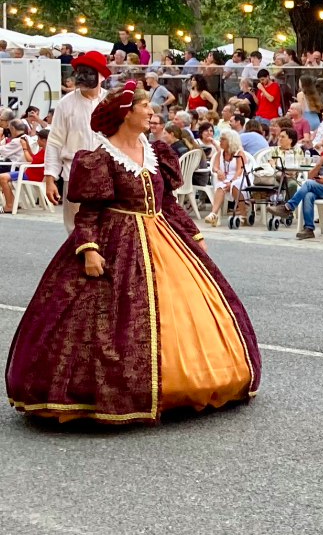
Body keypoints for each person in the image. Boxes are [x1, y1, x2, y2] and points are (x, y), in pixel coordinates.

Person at [6, 80, 259, 424]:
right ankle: (110, 390)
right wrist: (89, 249)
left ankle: (187, 382)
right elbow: (89, 212)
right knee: (110, 321)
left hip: (164, 239)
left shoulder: (156, 152)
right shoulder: (99, 157)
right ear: (126, 113)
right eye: (145, 108)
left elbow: (166, 203)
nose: (152, 113)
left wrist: (193, 233)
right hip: (115, 239)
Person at [44, 51, 109, 233]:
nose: (81, 77)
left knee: (106, 227)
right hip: (74, 174)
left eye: (87, 72)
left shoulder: (111, 102)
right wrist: (50, 179)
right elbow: (54, 142)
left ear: (100, 76)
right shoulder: (65, 104)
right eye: (79, 71)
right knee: (75, 229)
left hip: (107, 175)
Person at [267, 134, 323, 239]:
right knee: (308, 195)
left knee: (308, 184)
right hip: (322, 188)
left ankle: (287, 207)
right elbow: (310, 176)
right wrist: (319, 163)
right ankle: (309, 229)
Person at [204, 130, 250, 227]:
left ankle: (243, 215)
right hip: (226, 178)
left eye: (223, 139)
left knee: (234, 186)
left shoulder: (239, 153)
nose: (220, 141)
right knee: (220, 187)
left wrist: (231, 181)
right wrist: (218, 171)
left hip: (239, 178)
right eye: (220, 139)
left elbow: (239, 170)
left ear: (231, 141)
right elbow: (214, 167)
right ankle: (213, 214)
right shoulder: (220, 153)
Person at [0, 128, 46, 213]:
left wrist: (24, 148)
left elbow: (29, 159)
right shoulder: (43, 150)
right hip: (29, 172)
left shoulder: (46, 151)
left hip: (32, 174)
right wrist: (27, 145)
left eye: (38, 139)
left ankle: (9, 206)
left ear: (43, 140)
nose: (37, 141)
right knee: (4, 178)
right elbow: (33, 157)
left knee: (2, 177)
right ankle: (11, 203)